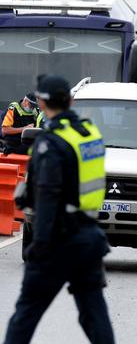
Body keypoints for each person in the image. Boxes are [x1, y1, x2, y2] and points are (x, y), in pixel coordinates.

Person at [4, 76, 114, 344]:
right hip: (89, 237)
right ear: (71, 100)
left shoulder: (50, 142)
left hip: (57, 238)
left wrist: (39, 245)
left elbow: (48, 197)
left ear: (41, 102)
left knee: (26, 313)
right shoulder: (90, 134)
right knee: (93, 314)